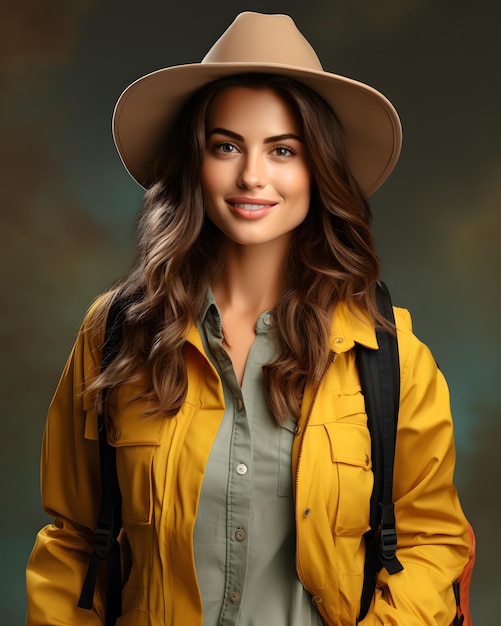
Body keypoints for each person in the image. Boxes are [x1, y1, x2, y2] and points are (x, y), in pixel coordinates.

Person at [26, 11, 470, 626]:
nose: (252, 176)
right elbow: (74, 543)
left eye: (283, 150)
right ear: (195, 161)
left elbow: (432, 543)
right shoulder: (114, 335)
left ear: (318, 169)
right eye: (226, 145)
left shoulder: (390, 355)